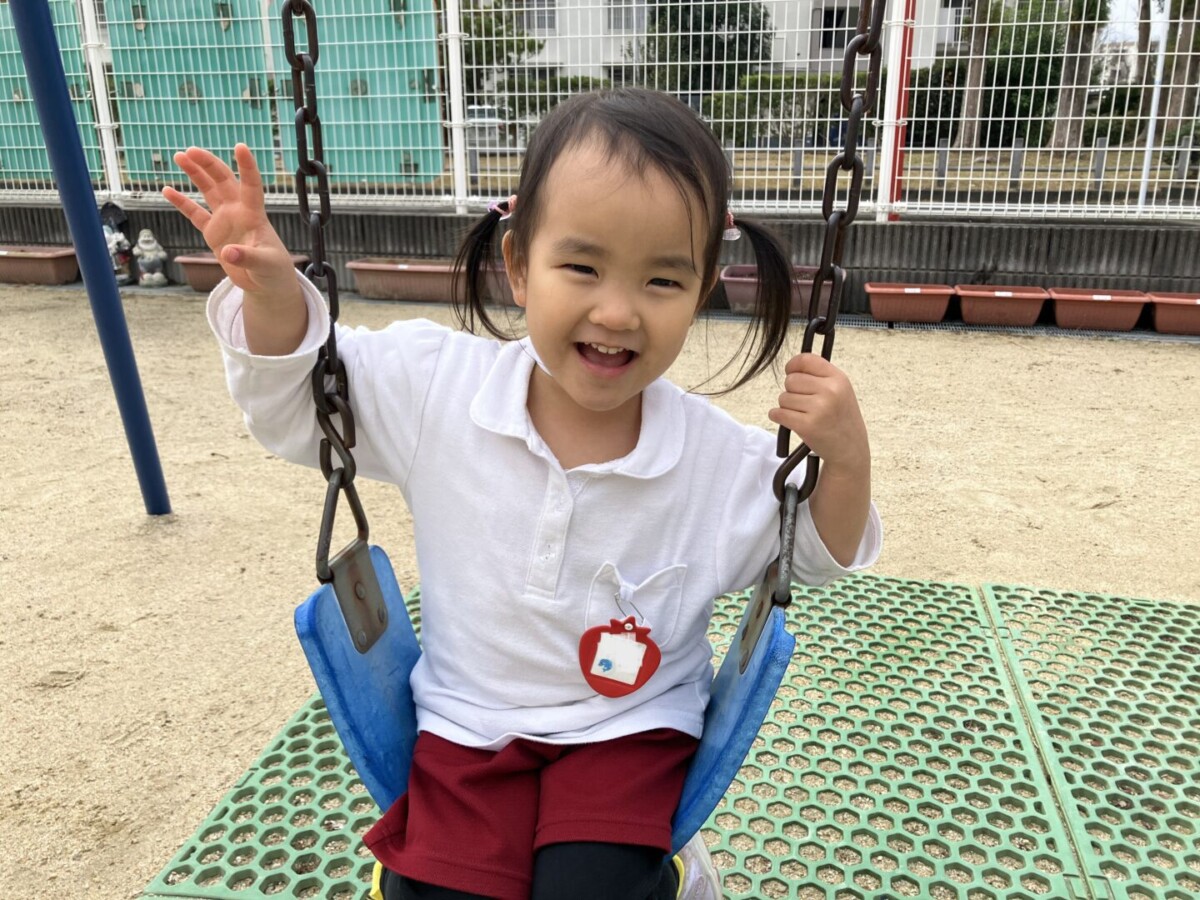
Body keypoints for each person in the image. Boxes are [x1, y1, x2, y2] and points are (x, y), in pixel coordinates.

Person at [163, 87, 881, 900]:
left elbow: (813, 550)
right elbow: (307, 404)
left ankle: (674, 875)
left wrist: (847, 460)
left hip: (631, 728)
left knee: (591, 890)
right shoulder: (438, 389)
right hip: (467, 721)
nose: (618, 312)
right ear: (518, 265)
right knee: (429, 894)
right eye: (582, 267)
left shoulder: (713, 459)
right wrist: (274, 300)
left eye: (661, 280)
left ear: (703, 287)